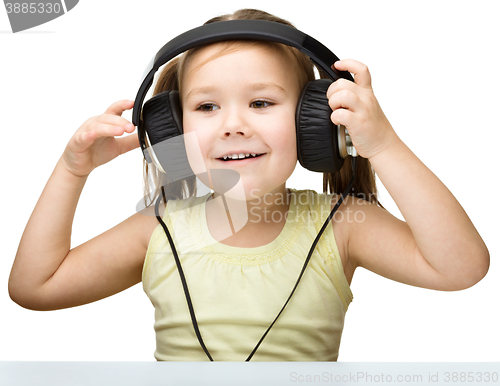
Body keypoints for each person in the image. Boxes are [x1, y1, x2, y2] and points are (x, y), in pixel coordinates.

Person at [8, 9, 489, 361]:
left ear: (314, 123)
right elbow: (35, 288)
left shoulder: (343, 225)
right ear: (172, 131)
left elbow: (460, 268)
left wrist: (383, 145)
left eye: (261, 103)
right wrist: (72, 171)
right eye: (207, 107)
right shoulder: (159, 229)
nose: (233, 125)